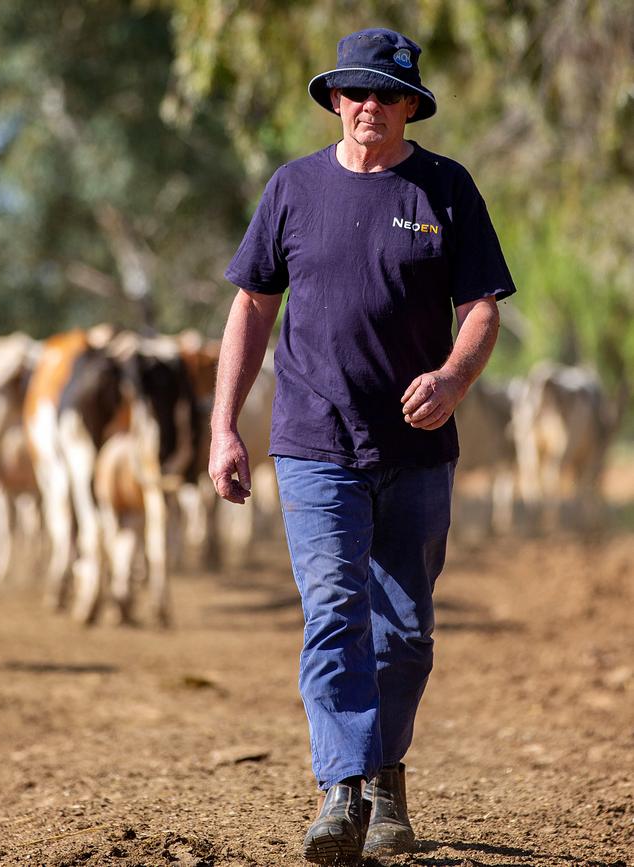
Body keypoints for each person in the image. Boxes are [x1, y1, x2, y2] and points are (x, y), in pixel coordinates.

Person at [209, 27, 516, 865]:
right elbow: (250, 308)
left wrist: (454, 378)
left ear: (411, 103)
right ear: (335, 101)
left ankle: (386, 775)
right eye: (355, 91)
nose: (369, 105)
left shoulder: (445, 187)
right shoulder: (293, 188)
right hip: (313, 441)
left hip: (417, 452)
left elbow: (483, 307)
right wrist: (223, 425)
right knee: (335, 609)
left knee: (406, 632)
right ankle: (342, 790)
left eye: (386, 92)